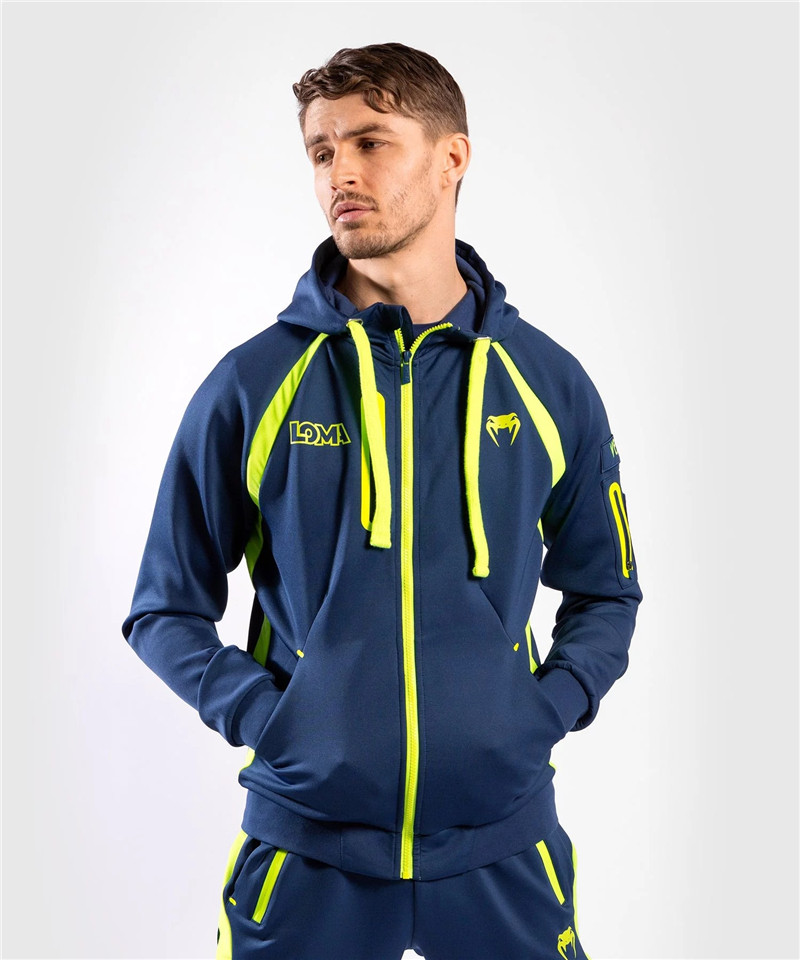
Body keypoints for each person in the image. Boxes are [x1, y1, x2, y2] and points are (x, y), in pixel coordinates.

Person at [122, 42, 642, 960]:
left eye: (371, 142)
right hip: (305, 854)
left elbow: (607, 590)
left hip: (503, 850)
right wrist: (276, 723)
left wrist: (540, 714)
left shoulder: (546, 382)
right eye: (322, 151)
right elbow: (163, 609)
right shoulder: (255, 383)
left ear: (452, 157)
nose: (341, 173)